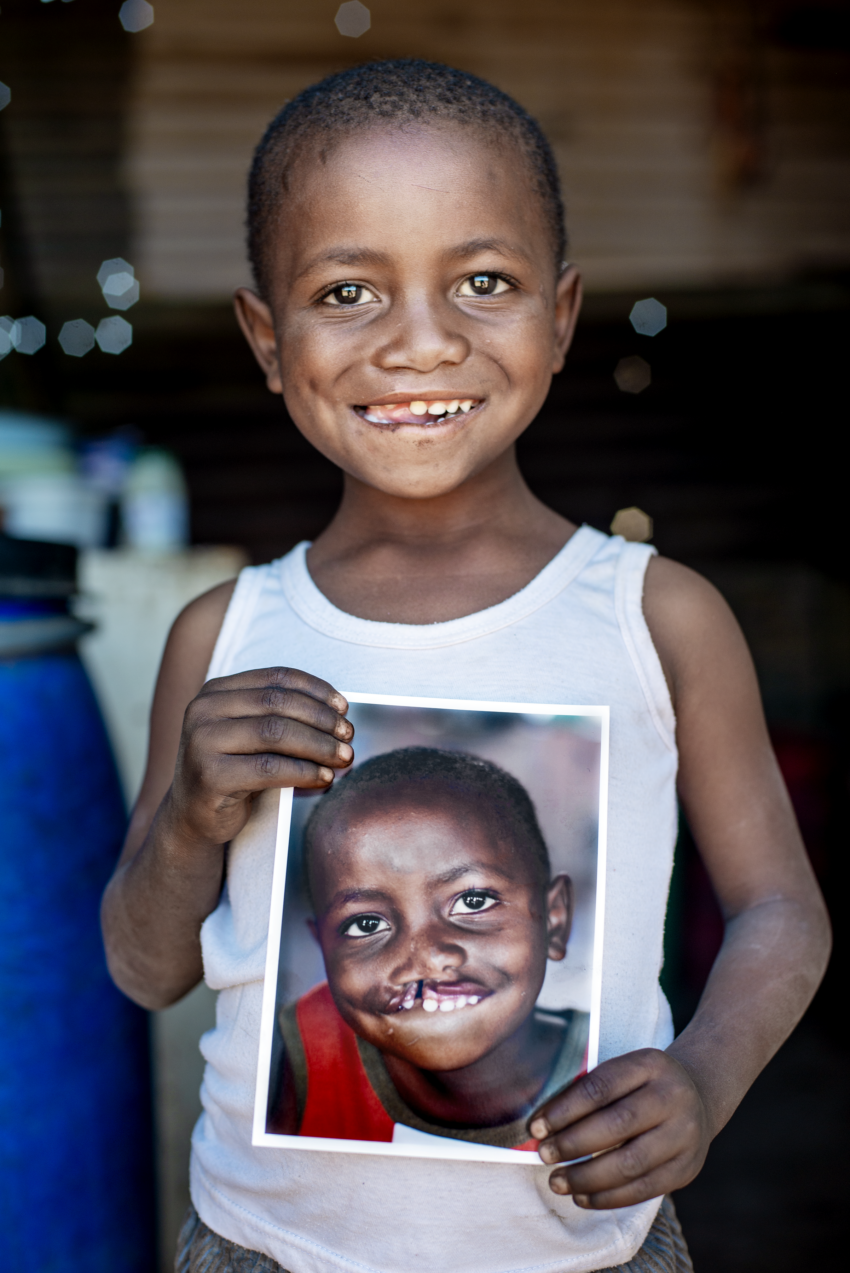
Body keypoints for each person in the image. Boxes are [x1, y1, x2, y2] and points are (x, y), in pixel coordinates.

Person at [101, 58, 830, 1273]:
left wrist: (702, 1080)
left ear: (559, 315)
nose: (419, 343)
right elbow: (144, 965)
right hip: (262, 1248)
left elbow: (779, 909)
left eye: (482, 282)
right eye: (349, 292)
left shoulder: (657, 618)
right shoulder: (222, 634)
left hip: (587, 1251)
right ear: (266, 338)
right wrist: (190, 818)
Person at [267, 746, 589, 1148]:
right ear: (324, 949)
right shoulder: (308, 1043)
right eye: (367, 924)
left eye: (473, 902)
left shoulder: (609, 1070)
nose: (428, 957)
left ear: (554, 918)